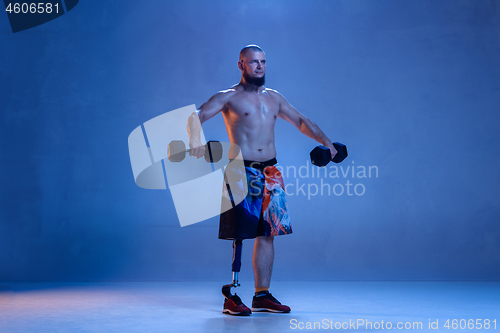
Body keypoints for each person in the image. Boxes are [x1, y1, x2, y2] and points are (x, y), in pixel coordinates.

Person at [187, 45, 336, 315]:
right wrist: (196, 142)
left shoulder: (274, 98)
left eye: (263, 62)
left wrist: (326, 141)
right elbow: (196, 116)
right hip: (241, 170)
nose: (259, 67)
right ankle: (231, 295)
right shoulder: (228, 97)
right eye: (253, 62)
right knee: (240, 234)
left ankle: (261, 295)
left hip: (271, 172)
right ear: (241, 65)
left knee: (269, 234)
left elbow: (301, 121)